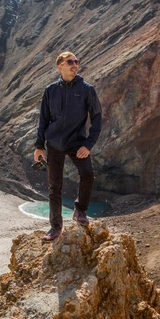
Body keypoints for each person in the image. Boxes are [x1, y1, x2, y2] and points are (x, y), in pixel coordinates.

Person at [34, 51, 102, 242]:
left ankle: (80, 211)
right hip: (54, 144)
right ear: (60, 66)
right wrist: (39, 146)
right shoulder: (51, 90)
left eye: (76, 61)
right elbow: (43, 119)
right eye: (70, 62)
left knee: (87, 174)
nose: (74, 64)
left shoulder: (87, 89)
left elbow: (97, 118)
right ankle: (55, 227)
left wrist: (88, 144)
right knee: (54, 187)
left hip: (77, 143)